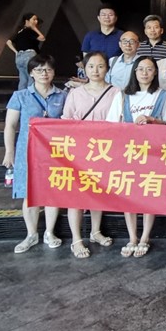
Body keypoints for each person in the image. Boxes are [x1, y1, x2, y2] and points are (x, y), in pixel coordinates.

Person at [106, 56, 166, 258]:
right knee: (129, 195)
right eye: (140, 69)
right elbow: (111, 124)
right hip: (128, 153)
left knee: (149, 192)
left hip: (154, 153)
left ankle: (145, 237)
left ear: (155, 72)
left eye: (149, 69)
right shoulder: (123, 96)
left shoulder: (163, 95)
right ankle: (132, 237)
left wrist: (152, 120)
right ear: (134, 71)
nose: (144, 73)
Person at [2, 54, 66, 254]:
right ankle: (31, 234)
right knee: (29, 194)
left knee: (52, 192)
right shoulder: (20, 96)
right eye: (39, 70)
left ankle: (49, 232)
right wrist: (9, 151)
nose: (44, 73)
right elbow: (10, 125)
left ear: (53, 72)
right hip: (26, 152)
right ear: (31, 73)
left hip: (55, 152)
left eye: (48, 69)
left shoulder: (63, 95)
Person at [61, 51, 120, 258]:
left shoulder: (116, 92)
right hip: (79, 151)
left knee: (97, 192)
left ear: (107, 69)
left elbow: (120, 122)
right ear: (84, 69)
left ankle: (95, 232)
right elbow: (66, 121)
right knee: (76, 195)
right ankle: (76, 239)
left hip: (104, 151)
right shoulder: (75, 94)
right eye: (91, 66)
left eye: (100, 66)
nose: (95, 70)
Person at [6, 12, 46, 89]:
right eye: (34, 19)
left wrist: (16, 52)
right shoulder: (30, 31)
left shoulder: (19, 31)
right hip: (29, 55)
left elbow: (8, 42)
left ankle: (21, 95)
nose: (36, 21)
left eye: (36, 20)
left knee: (23, 79)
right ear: (27, 21)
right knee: (32, 78)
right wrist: (34, 28)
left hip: (19, 57)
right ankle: (30, 95)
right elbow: (42, 38)